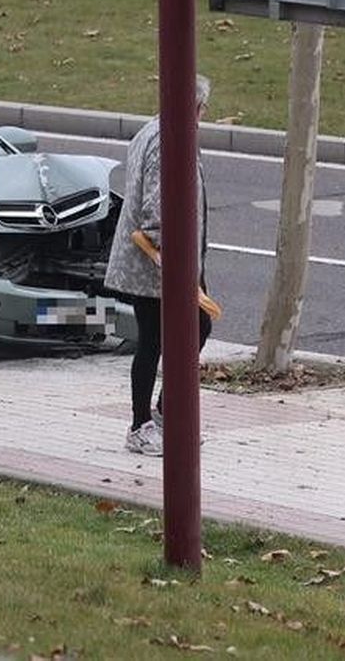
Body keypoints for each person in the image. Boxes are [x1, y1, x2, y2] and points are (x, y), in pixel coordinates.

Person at [104, 75, 213, 456]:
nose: (202, 118)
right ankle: (141, 424)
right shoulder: (169, 139)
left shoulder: (154, 130)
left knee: (196, 325)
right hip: (156, 262)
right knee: (154, 338)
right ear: (194, 108)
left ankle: (167, 411)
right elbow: (158, 204)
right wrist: (171, 252)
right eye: (202, 110)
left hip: (163, 260)